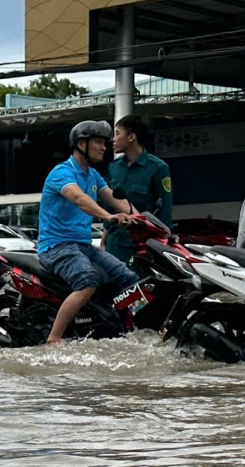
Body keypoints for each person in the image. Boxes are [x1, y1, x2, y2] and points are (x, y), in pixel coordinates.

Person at [38, 121, 137, 345]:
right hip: (56, 246)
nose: (104, 147)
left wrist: (145, 221)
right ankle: (54, 340)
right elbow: (79, 199)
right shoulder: (62, 173)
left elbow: (116, 199)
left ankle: (123, 330)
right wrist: (107, 216)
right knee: (87, 280)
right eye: (99, 142)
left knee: (129, 279)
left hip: (83, 246)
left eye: (105, 142)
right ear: (82, 144)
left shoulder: (92, 175)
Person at [103, 115, 173, 258]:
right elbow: (109, 207)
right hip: (116, 245)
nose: (113, 140)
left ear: (131, 137)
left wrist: (161, 245)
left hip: (144, 247)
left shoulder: (158, 168)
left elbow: (165, 209)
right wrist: (104, 241)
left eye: (117, 134)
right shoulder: (114, 168)